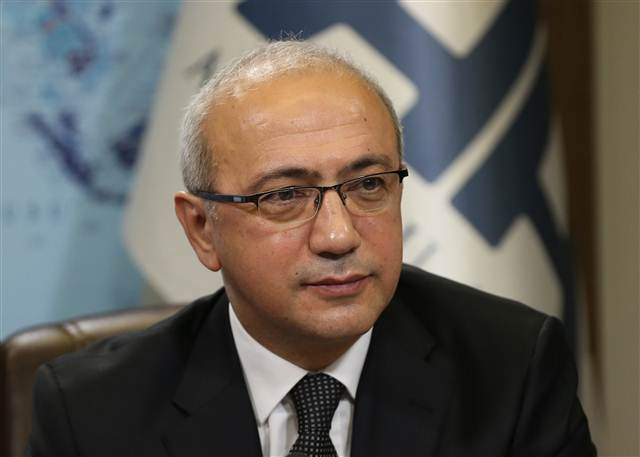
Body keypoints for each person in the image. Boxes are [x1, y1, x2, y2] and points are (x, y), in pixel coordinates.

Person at [27, 40, 596, 457]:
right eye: (284, 196)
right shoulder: (93, 412)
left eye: (368, 185)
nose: (337, 236)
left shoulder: (511, 370)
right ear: (201, 228)